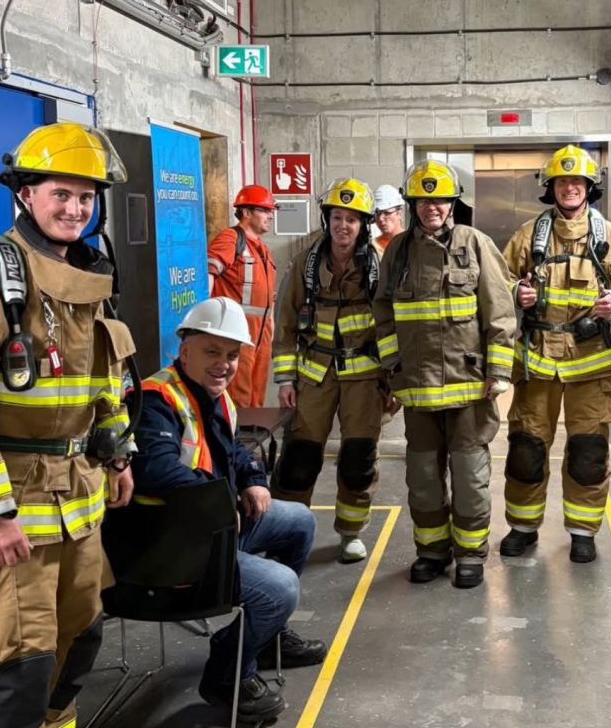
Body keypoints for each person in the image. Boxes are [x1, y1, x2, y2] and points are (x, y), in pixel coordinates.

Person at [0, 123, 136, 728]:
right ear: (25, 194)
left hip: (78, 501)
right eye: (60, 193)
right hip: (13, 509)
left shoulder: (88, 276)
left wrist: (116, 454)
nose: (73, 207)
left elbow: (101, 380)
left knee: (75, 639)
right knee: (10, 662)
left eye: (85, 196)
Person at [129, 298, 326, 721]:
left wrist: (253, 479)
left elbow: (232, 448)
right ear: (184, 351)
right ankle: (225, 674)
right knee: (280, 588)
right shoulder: (155, 399)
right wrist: (220, 500)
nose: (224, 364)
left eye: (232, 355)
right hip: (168, 548)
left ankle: (266, 636)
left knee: (298, 521)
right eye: (212, 352)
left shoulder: (216, 396)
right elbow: (155, 469)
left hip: (211, 531)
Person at [499, 145, 611, 564]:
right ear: (551, 188)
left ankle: (582, 531)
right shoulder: (529, 235)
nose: (570, 188)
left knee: (588, 452)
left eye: (578, 181)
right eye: (563, 181)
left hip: (591, 368)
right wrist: (518, 291)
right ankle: (523, 527)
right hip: (537, 365)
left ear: (590, 187)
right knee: (527, 449)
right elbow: (498, 280)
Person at [373, 161, 516, 590]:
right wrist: (393, 368)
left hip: (470, 390)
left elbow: (500, 311)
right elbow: (383, 313)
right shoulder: (397, 251)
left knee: (470, 476)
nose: (431, 207)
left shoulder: (475, 244)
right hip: (417, 391)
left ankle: (470, 554)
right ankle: (431, 551)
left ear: (453, 203)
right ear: (413, 204)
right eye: (422, 200)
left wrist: (499, 370)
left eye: (439, 199)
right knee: (423, 478)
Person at [271, 177, 390, 563]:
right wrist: (286, 378)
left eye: (352, 220)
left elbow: (393, 324)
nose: (343, 226)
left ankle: (350, 533)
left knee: (358, 457)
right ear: (328, 219)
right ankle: (290, 531)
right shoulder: (305, 266)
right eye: (337, 217)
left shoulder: (379, 267)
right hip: (314, 374)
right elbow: (286, 323)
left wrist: (393, 379)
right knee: (300, 457)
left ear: (363, 225)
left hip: (365, 377)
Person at [207, 185, 277, 408]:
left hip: (261, 332)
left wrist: (271, 322)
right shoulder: (230, 238)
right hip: (237, 331)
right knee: (237, 394)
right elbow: (208, 275)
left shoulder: (262, 249)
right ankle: (232, 438)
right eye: (265, 210)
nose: (270, 216)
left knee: (256, 393)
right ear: (246, 212)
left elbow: (266, 296)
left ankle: (249, 440)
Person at [372, 184, 405, 254]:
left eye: (387, 213)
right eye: (377, 213)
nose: (380, 219)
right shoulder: (371, 247)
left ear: (399, 213)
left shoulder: (413, 244)